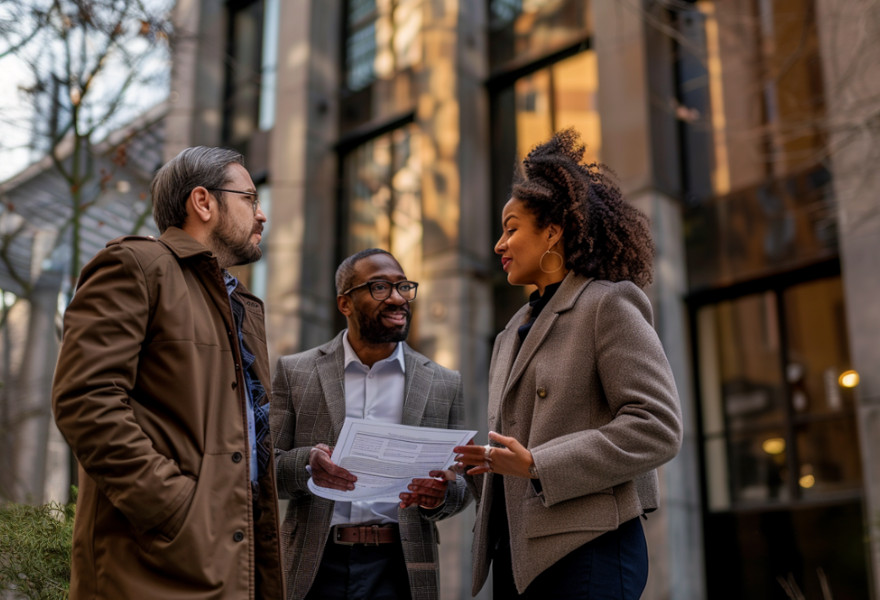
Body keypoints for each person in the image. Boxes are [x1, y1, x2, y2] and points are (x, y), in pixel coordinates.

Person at [454, 129, 683, 599]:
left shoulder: (608, 304)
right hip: (516, 557)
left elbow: (657, 426)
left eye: (512, 228)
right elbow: (518, 464)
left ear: (553, 231)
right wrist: (473, 473)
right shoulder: (510, 332)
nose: (499, 244)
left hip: (588, 552)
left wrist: (538, 463)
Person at [52, 147, 284, 599]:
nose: (262, 216)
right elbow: (85, 400)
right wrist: (174, 508)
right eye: (250, 199)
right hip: (155, 566)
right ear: (203, 202)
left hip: (230, 562)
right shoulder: (136, 266)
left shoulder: (239, 305)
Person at [270, 248, 470, 600]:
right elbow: (266, 468)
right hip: (314, 565)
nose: (397, 299)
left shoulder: (443, 382)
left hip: (400, 568)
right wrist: (306, 465)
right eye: (380, 287)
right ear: (345, 303)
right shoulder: (295, 372)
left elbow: (464, 483)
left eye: (403, 287)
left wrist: (439, 496)